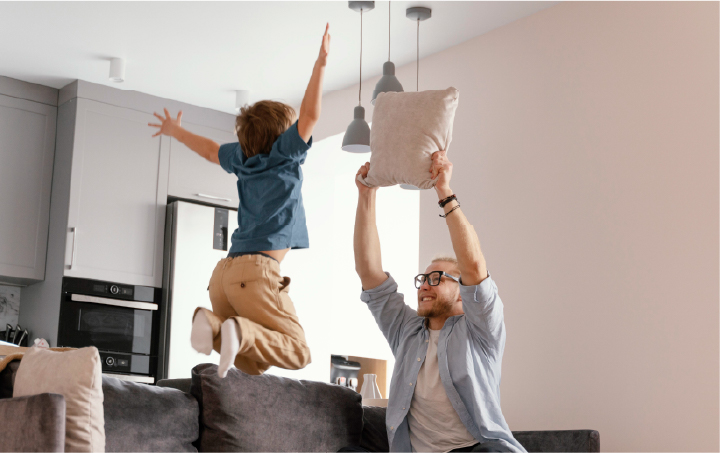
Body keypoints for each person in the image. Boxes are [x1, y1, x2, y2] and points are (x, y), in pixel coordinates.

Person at [149, 24, 331, 377]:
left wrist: (176, 131)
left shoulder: (243, 158)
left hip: (225, 276)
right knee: (298, 351)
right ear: (285, 135)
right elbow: (309, 115)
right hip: (257, 274)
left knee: (253, 363)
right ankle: (230, 329)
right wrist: (320, 64)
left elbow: (209, 150)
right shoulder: (285, 155)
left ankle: (217, 327)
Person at [351, 152, 526, 452]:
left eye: (437, 278)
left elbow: (473, 265)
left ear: (462, 291)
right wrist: (366, 195)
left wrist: (444, 191)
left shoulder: (481, 330)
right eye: (423, 279)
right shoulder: (405, 330)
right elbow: (369, 273)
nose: (424, 286)